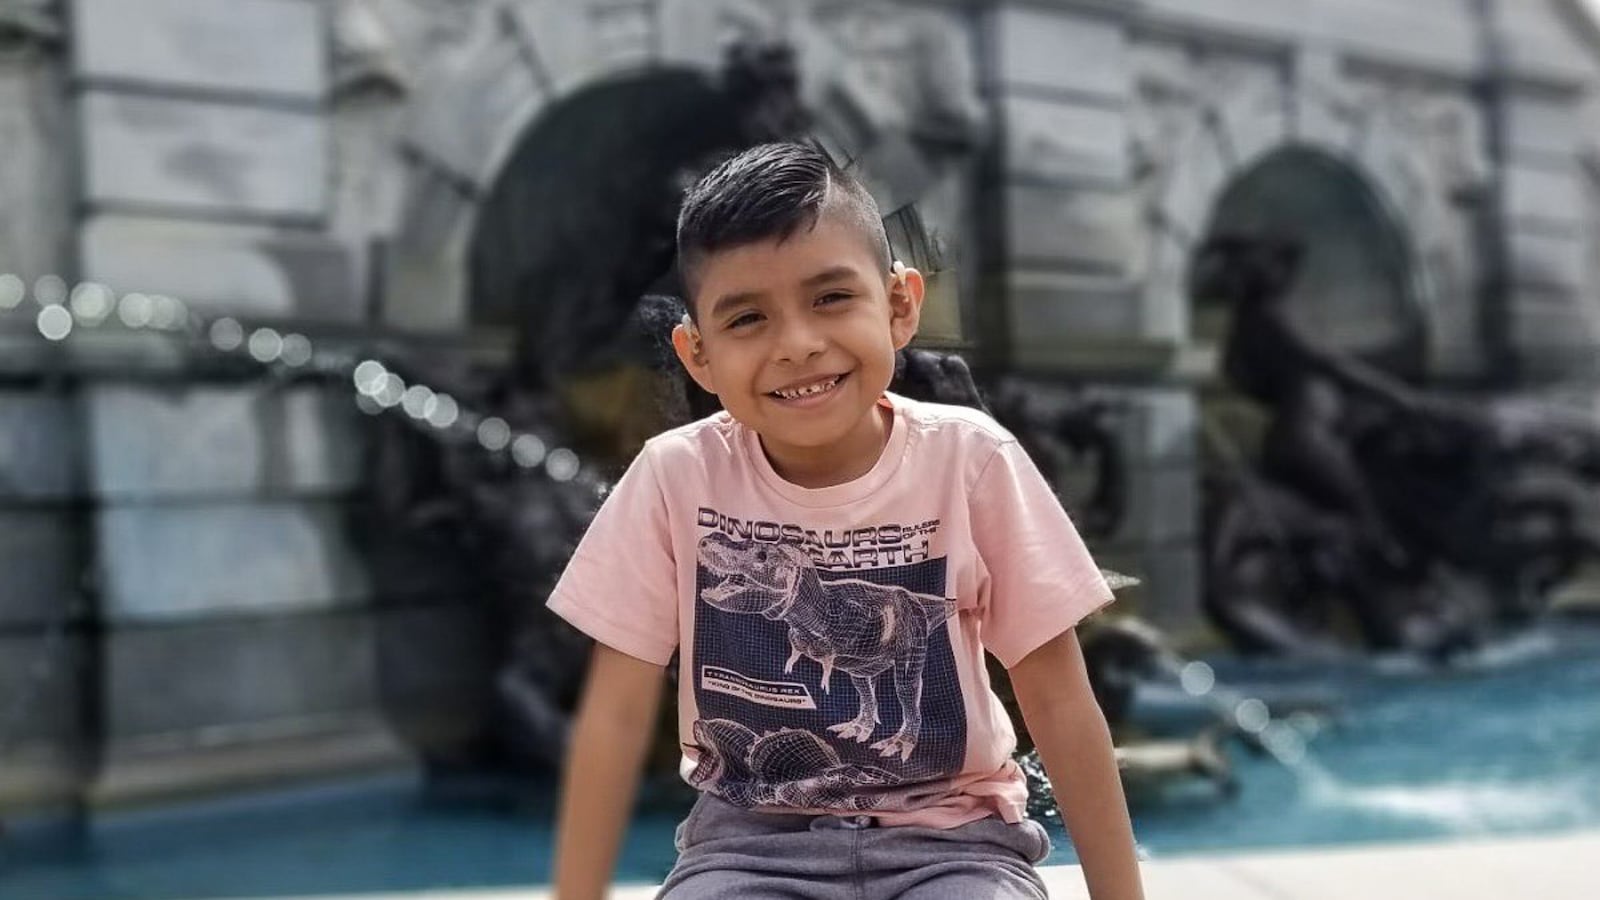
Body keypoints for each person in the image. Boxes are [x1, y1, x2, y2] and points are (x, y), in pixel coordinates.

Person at [549, 142, 1145, 900]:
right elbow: (614, 713)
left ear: (900, 304)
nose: (797, 344)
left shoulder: (972, 459)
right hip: (745, 850)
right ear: (697, 356)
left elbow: (1060, 701)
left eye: (831, 298)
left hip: (955, 844)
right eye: (748, 318)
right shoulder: (676, 476)